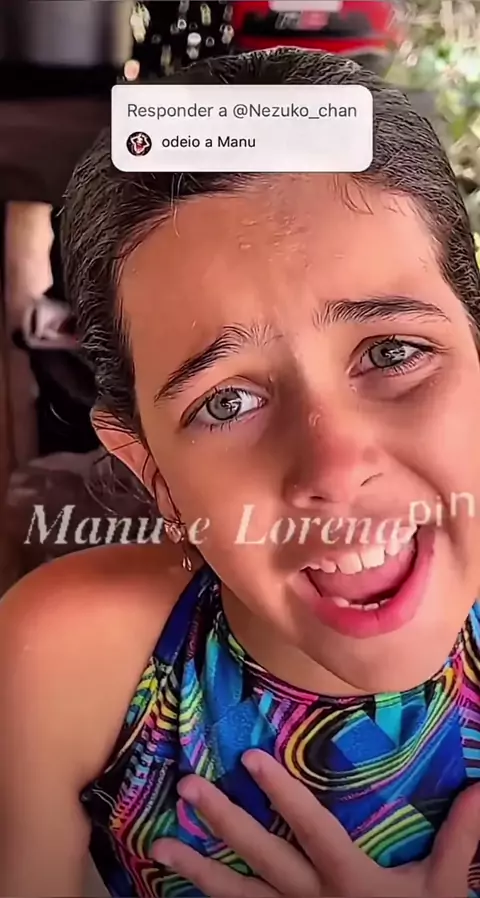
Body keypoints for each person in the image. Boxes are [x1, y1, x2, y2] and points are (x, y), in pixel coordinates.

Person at [1, 47, 480, 898]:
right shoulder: (66, 663)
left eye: (392, 352)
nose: (335, 468)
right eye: (226, 401)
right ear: (150, 469)